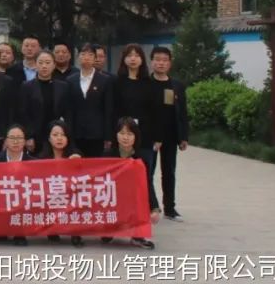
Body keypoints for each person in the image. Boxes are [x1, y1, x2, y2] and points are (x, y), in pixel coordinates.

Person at [113, 43, 159, 207]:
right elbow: (113, 109)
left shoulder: (149, 83)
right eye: (129, 55)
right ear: (124, 59)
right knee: (123, 173)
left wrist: (157, 137)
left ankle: (149, 207)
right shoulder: (117, 82)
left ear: (142, 59)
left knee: (145, 173)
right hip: (123, 136)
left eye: (137, 55)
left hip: (145, 135)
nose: (133, 59)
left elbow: (155, 112)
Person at [104, 117, 157, 249]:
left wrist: (155, 208)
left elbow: (147, 184)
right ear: (116, 135)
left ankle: (137, 236)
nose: (125, 137)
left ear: (135, 137)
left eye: (129, 134)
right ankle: (109, 228)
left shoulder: (141, 159)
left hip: (132, 199)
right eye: (122, 133)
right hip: (112, 198)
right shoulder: (108, 156)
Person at [150, 46, 189, 222]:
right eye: (157, 59)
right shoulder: (146, 83)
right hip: (151, 136)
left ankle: (170, 208)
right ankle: (151, 205)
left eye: (165, 60)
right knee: (148, 172)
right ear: (152, 62)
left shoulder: (177, 85)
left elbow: (182, 113)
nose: (161, 63)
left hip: (171, 135)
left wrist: (183, 137)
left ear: (170, 63)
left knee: (169, 172)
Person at [65, 43, 114, 157]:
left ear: (95, 58)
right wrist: (68, 133)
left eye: (90, 55)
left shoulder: (105, 80)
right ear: (78, 57)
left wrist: (108, 136)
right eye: (83, 54)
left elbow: (108, 109)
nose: (86, 57)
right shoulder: (70, 80)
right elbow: (69, 110)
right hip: (76, 133)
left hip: (97, 134)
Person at [39, 119, 83, 247]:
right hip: (51, 197)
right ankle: (52, 228)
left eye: (63, 135)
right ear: (49, 138)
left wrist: (78, 163)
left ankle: (75, 232)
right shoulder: (41, 159)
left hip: (70, 197)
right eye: (55, 135)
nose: (59, 138)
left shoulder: (75, 155)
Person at [19, 50, 68, 155]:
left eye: (47, 62)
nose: (44, 66)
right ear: (35, 65)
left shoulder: (63, 87)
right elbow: (23, 113)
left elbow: (67, 112)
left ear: (54, 65)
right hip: (35, 137)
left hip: (57, 135)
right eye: (40, 63)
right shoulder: (27, 86)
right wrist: (29, 136)